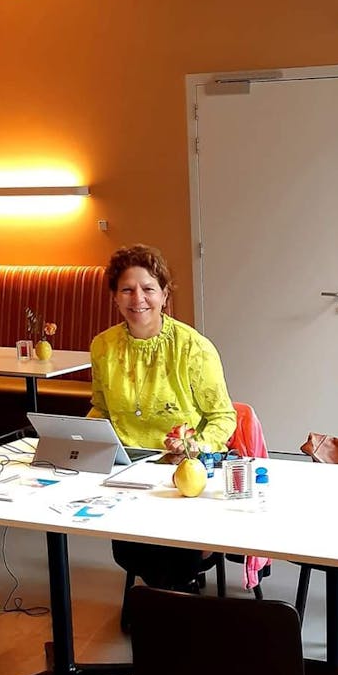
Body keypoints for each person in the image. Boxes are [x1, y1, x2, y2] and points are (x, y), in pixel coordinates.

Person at [89, 244, 237, 589]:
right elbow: (102, 409)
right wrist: (86, 437)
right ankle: (165, 602)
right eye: (127, 289)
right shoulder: (103, 346)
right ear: (114, 297)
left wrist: (195, 448)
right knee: (131, 553)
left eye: (148, 288)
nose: (138, 298)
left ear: (165, 295)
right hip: (127, 470)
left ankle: (166, 604)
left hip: (184, 472)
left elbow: (223, 416)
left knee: (172, 557)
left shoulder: (193, 347)